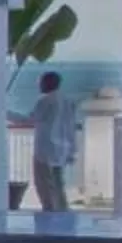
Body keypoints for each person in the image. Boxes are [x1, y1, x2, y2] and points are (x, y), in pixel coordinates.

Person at [29, 69, 78, 214]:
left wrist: (4, 112)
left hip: (45, 149)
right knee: (58, 184)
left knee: (44, 184)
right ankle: (62, 212)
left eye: (41, 82)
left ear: (47, 83)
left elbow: (31, 118)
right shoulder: (68, 100)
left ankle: (49, 212)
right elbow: (71, 126)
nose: (39, 85)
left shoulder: (44, 100)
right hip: (62, 149)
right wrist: (72, 150)